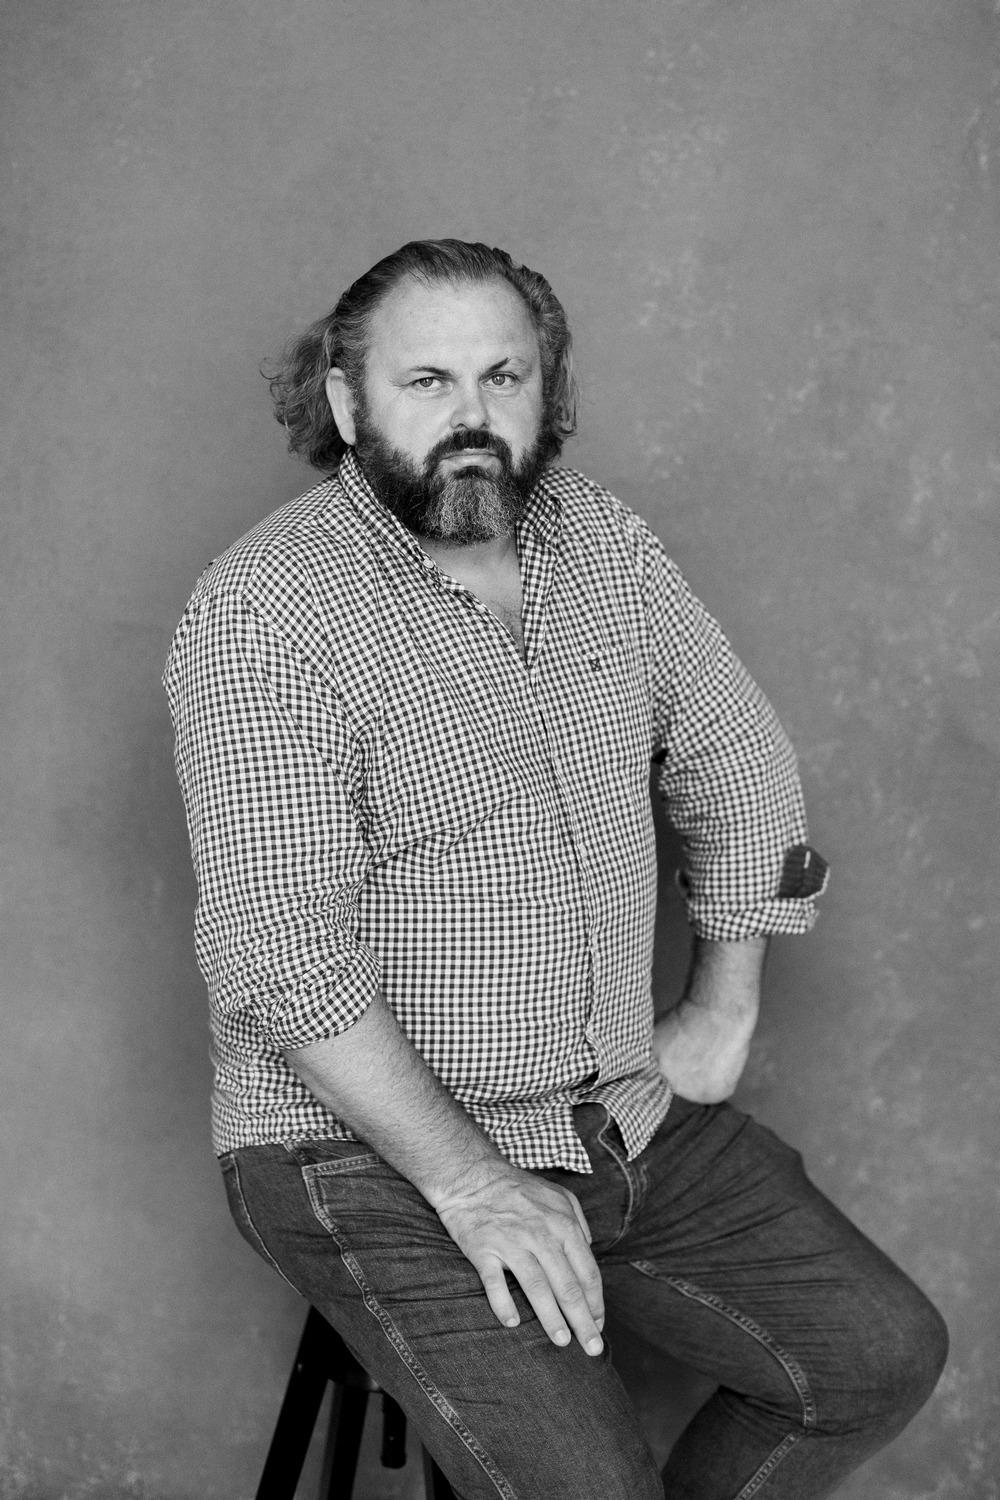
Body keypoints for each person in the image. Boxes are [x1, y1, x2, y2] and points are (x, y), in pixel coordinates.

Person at [164, 239, 946, 1498]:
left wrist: (722, 1007)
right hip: (361, 1150)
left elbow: (738, 761)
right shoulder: (267, 608)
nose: (471, 415)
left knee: (876, 1356)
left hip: (606, 1104)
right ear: (348, 403)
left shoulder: (603, 542)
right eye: (426, 381)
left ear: (547, 388)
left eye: (504, 376)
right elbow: (277, 947)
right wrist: (472, 1183)